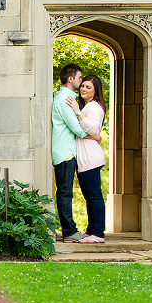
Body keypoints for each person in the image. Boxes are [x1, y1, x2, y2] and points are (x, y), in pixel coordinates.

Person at [51, 64, 100, 242]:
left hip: (67, 151)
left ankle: (69, 230)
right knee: (65, 193)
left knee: (65, 192)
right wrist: (95, 136)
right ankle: (69, 231)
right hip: (65, 152)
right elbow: (77, 128)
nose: (81, 82)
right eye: (79, 78)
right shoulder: (65, 98)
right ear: (70, 79)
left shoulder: (67, 97)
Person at [65, 75, 106, 243]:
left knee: (94, 196)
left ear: (96, 90)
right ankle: (92, 230)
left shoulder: (94, 106)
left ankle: (98, 233)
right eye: (82, 86)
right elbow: (91, 132)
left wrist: (77, 111)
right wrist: (93, 135)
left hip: (91, 158)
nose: (83, 89)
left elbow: (93, 128)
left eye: (88, 87)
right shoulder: (88, 106)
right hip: (86, 159)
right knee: (90, 196)